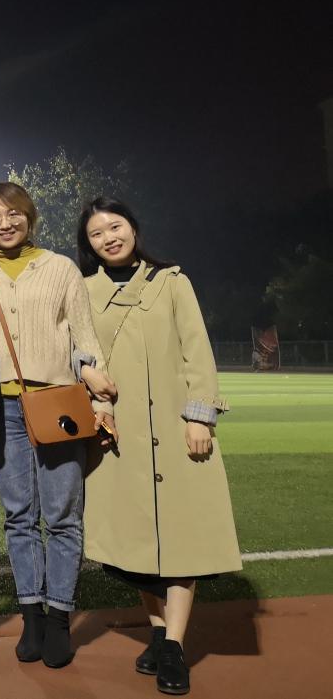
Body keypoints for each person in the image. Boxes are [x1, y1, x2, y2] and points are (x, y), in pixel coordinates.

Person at [78, 198, 241, 696]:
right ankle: (156, 630)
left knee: (181, 538)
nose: (109, 237)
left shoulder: (171, 281)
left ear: (133, 228)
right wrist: (93, 392)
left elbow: (197, 350)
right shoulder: (84, 291)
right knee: (133, 545)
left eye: (115, 226)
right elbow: (81, 355)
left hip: (175, 429)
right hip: (117, 434)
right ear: (89, 245)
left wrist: (199, 416)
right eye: (97, 233)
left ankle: (173, 645)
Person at [0, 181, 115, 669]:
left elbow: (85, 338)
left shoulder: (60, 268)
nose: (5, 223)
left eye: (13, 213)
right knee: (18, 516)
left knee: (62, 517)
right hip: (3, 408)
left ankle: (59, 618)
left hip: (58, 403)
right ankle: (31, 615)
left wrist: (100, 396)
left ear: (29, 217)